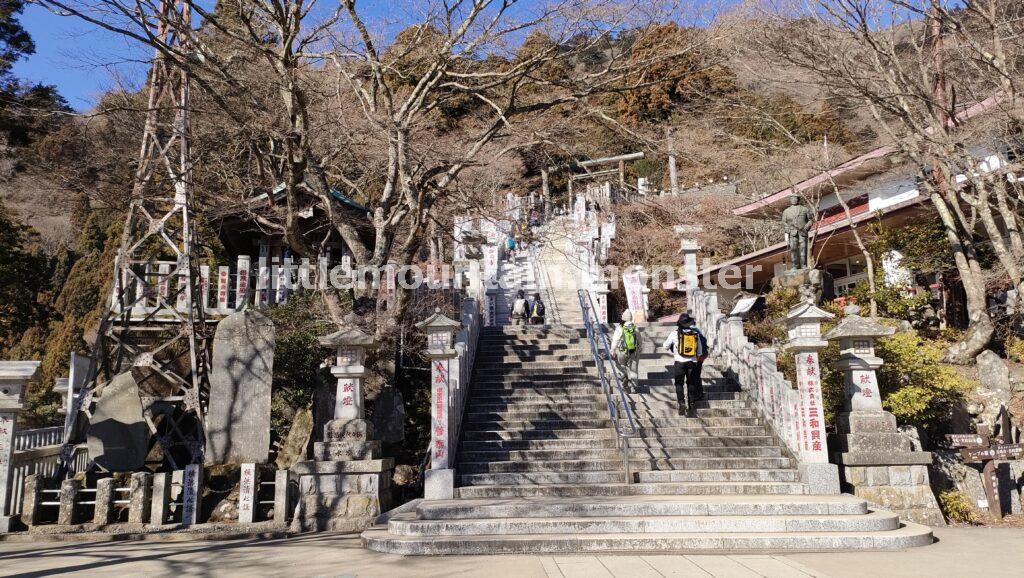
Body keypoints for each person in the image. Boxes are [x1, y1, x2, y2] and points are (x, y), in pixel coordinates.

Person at [661, 312, 708, 415]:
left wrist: (673, 348)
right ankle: (691, 402)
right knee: (691, 383)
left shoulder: (674, 333)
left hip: (679, 362)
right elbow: (699, 351)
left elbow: (665, 346)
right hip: (692, 362)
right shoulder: (695, 334)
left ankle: (681, 402)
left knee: (679, 384)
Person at [610, 310, 640, 387]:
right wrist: (638, 350)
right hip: (634, 352)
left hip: (622, 351)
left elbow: (615, 340)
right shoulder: (635, 328)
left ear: (623, 318)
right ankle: (634, 387)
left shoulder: (620, 327)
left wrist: (613, 350)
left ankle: (625, 375)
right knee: (634, 370)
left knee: (621, 365)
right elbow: (640, 341)